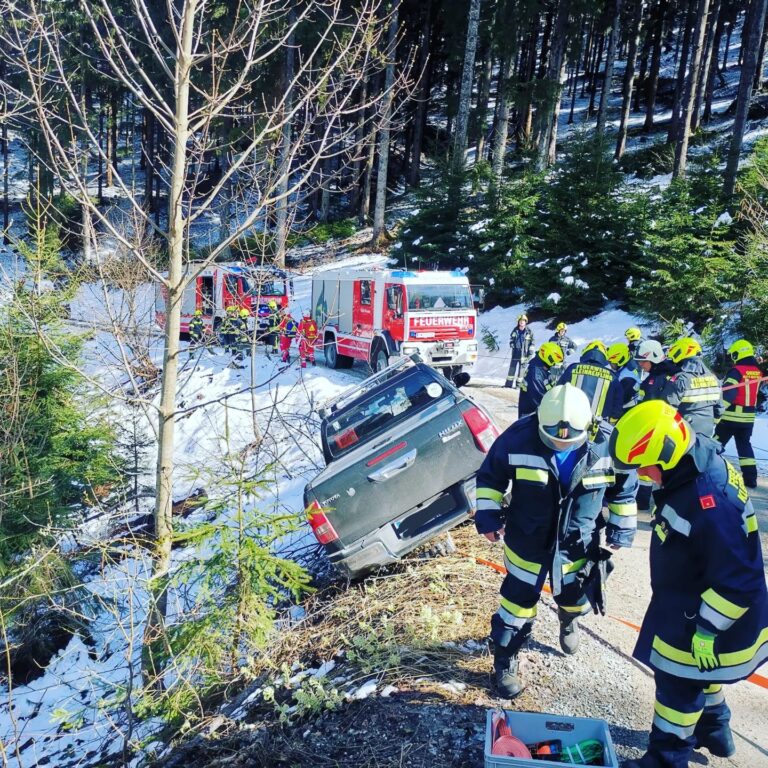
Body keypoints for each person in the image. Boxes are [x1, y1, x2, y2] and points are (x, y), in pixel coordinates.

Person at [609, 400, 768, 768]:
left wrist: (707, 629)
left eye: (643, 466)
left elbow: (738, 581)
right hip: (691, 596)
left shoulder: (709, 502)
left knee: (677, 686)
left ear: (665, 454)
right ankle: (715, 730)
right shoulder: (697, 460)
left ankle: (666, 759)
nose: (642, 474)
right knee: (703, 673)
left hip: (710, 612)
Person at [475, 384, 637, 699]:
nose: (559, 444)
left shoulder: (608, 444)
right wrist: (489, 518)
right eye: (552, 438)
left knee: (576, 597)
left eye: (567, 440)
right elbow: (490, 477)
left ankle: (569, 620)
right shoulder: (520, 436)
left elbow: (625, 490)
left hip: (578, 543)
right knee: (516, 605)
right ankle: (505, 661)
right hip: (527, 542)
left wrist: (621, 528)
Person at [634, 340, 681, 513]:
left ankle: (648, 501)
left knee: (654, 466)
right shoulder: (662, 375)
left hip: (660, 429)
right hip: (662, 428)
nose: (640, 364)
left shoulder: (661, 378)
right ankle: (646, 500)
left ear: (653, 358)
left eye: (643, 361)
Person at [716, 339, 763, 489]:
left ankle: (704, 472)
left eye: (734, 354)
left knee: (714, 445)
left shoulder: (737, 371)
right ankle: (751, 479)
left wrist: (717, 411)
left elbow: (729, 394)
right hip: (748, 419)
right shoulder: (757, 371)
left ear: (739, 353)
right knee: (744, 447)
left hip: (730, 418)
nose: (732, 357)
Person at [664, 337, 723, 437]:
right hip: (706, 434)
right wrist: (712, 423)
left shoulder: (680, 379)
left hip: (681, 434)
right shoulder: (714, 379)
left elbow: (666, 410)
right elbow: (720, 410)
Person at [558, 340, 624, 422]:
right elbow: (617, 406)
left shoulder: (572, 368)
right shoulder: (613, 377)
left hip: (570, 422)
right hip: (598, 427)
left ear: (585, 353)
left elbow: (558, 391)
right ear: (604, 357)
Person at [518, 341, 564, 416]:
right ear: (549, 358)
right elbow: (541, 401)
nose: (555, 366)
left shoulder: (539, 368)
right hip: (531, 417)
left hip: (530, 413)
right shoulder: (536, 374)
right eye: (555, 363)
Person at [607, 342, 641, 409]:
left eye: (613, 364)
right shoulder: (628, 367)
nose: (611, 366)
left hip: (627, 409)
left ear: (621, 360)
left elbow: (619, 401)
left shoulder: (627, 379)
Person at [506, 314, 534, 389]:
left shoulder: (529, 332)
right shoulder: (515, 330)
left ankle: (518, 386)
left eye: (523, 321)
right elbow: (511, 339)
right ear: (518, 322)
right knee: (511, 370)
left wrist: (530, 353)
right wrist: (511, 344)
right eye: (520, 321)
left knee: (521, 372)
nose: (521, 322)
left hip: (524, 354)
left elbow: (532, 343)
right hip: (515, 353)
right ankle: (508, 385)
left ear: (526, 322)